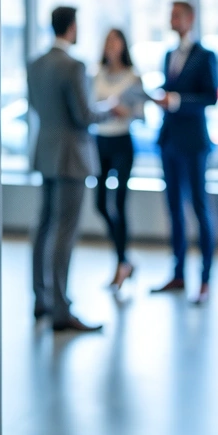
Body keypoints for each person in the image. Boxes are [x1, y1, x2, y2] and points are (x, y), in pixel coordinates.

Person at [28, 6, 126, 333]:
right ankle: (61, 309)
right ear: (71, 27)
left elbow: (36, 106)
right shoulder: (73, 66)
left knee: (44, 226)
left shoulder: (36, 64)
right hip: (71, 156)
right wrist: (109, 109)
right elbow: (85, 116)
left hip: (45, 152)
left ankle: (41, 298)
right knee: (64, 231)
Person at [151, 0, 218, 304]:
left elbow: (210, 97)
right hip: (169, 142)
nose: (172, 19)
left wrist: (177, 101)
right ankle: (178, 273)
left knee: (200, 209)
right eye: (171, 14)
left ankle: (204, 280)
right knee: (174, 211)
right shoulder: (168, 55)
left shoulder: (205, 56)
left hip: (193, 144)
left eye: (177, 15)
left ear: (190, 19)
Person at [93, 28, 145, 291]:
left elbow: (141, 114)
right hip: (100, 141)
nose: (111, 46)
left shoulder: (133, 77)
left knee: (120, 203)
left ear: (124, 45)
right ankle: (125, 258)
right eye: (108, 41)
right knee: (100, 204)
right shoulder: (97, 74)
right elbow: (89, 108)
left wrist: (125, 111)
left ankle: (121, 262)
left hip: (123, 141)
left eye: (116, 41)